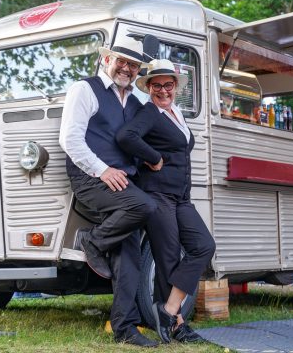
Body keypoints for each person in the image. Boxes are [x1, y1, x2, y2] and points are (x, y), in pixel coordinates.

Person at [59, 35, 158, 348]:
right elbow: (70, 139)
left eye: (134, 64)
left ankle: (125, 329)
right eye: (122, 61)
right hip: (91, 178)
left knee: (128, 255)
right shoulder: (84, 89)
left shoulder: (136, 101)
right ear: (107, 59)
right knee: (145, 208)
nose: (127, 68)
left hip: (122, 182)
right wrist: (102, 170)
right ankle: (94, 241)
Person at [116, 59, 216, 343]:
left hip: (181, 197)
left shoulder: (176, 113)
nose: (163, 91)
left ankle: (169, 309)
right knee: (168, 259)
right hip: (158, 194)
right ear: (148, 88)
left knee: (203, 246)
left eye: (168, 85)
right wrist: (154, 157)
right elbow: (126, 136)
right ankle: (177, 324)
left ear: (175, 87)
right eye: (157, 85)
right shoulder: (150, 112)